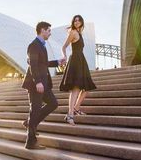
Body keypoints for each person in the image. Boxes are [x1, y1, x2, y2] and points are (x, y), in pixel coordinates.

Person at [21, 21, 66, 149]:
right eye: (49, 31)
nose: (50, 33)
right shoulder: (34, 45)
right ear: (42, 30)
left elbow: (43, 63)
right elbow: (33, 65)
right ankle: (30, 142)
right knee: (34, 111)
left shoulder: (42, 45)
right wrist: (38, 82)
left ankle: (30, 123)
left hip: (44, 84)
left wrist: (57, 62)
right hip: (37, 84)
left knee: (53, 103)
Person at [59, 15, 96, 125]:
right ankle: (70, 115)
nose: (76, 22)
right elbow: (64, 46)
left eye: (78, 20)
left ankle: (76, 108)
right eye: (75, 20)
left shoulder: (80, 33)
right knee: (75, 89)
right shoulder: (73, 32)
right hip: (75, 60)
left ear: (81, 22)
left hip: (81, 61)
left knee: (86, 88)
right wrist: (64, 57)